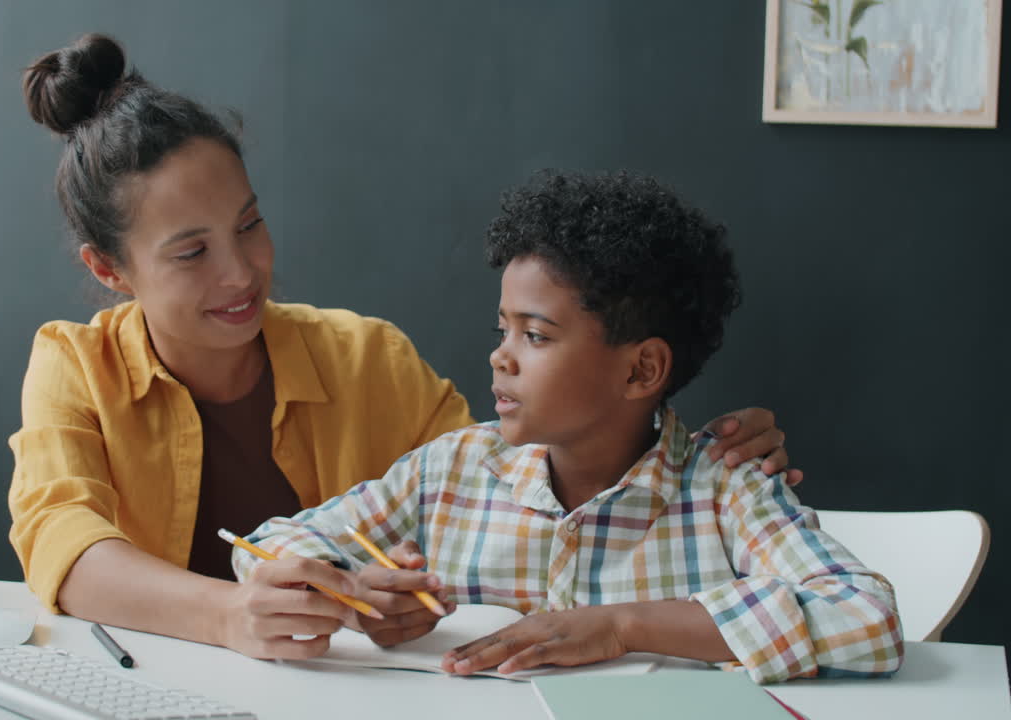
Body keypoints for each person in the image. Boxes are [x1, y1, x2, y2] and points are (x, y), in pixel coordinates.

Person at [8, 33, 798, 662]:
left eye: (249, 225)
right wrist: (232, 615)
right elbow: (64, 546)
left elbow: (506, 492)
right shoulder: (74, 366)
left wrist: (678, 450)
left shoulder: (369, 359)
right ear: (109, 270)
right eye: (191, 253)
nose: (241, 272)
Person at [232, 171, 903, 684]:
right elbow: (267, 545)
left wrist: (624, 626)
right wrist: (352, 594)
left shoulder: (727, 489)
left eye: (535, 335)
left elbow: (866, 619)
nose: (500, 357)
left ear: (641, 370)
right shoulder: (452, 470)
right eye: (502, 329)